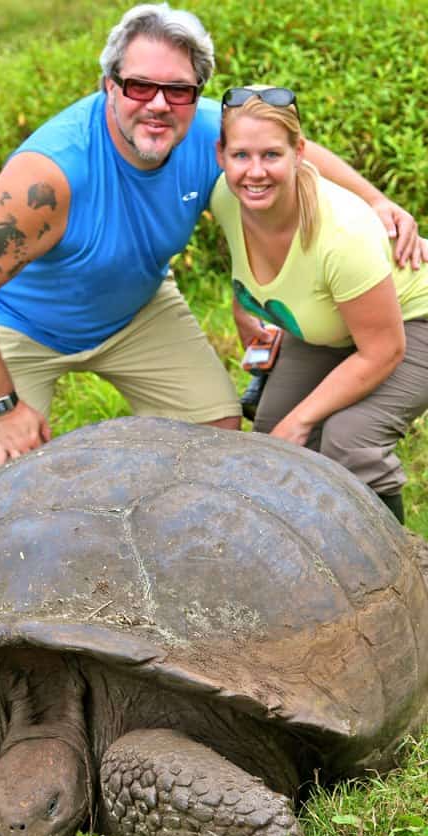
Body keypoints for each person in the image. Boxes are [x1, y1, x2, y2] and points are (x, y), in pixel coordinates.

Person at [0, 3, 425, 476]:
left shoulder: (204, 129)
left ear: (197, 93)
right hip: (24, 328)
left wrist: (375, 201)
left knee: (218, 436)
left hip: (138, 311)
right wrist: (3, 408)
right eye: (140, 86)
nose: (160, 105)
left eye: (179, 90)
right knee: (15, 481)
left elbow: (296, 152)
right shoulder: (50, 177)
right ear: (110, 86)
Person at [211, 85, 428, 523]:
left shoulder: (341, 235)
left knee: (348, 439)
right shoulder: (225, 200)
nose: (255, 172)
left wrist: (304, 419)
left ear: (300, 153)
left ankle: (396, 575)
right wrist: (243, 306)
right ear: (220, 155)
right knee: (273, 440)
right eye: (241, 156)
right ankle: (309, 555)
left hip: (411, 322)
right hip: (334, 326)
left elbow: (384, 349)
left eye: (272, 155)